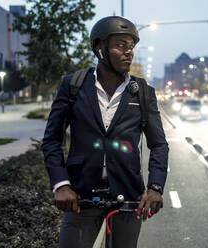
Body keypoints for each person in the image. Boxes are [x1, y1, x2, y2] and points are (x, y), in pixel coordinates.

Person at [42, 16, 169, 248]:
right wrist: (61, 185)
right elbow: (52, 139)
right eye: (121, 45)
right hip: (81, 198)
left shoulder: (141, 92)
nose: (129, 52)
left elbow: (158, 144)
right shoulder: (74, 85)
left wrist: (155, 188)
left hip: (129, 199)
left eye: (131, 46)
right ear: (100, 48)